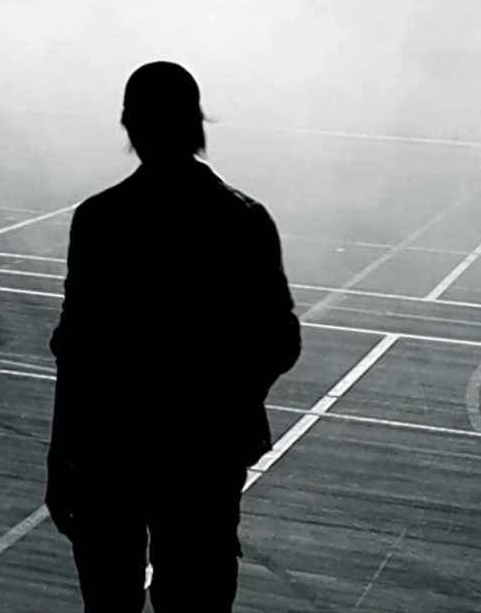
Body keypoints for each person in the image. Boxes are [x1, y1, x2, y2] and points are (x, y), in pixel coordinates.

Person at [46, 61, 302, 611]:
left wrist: (60, 460)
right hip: (203, 459)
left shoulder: (99, 220)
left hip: (109, 453)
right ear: (196, 124)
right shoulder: (243, 220)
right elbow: (281, 343)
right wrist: (228, 402)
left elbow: (75, 353)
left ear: (129, 125)